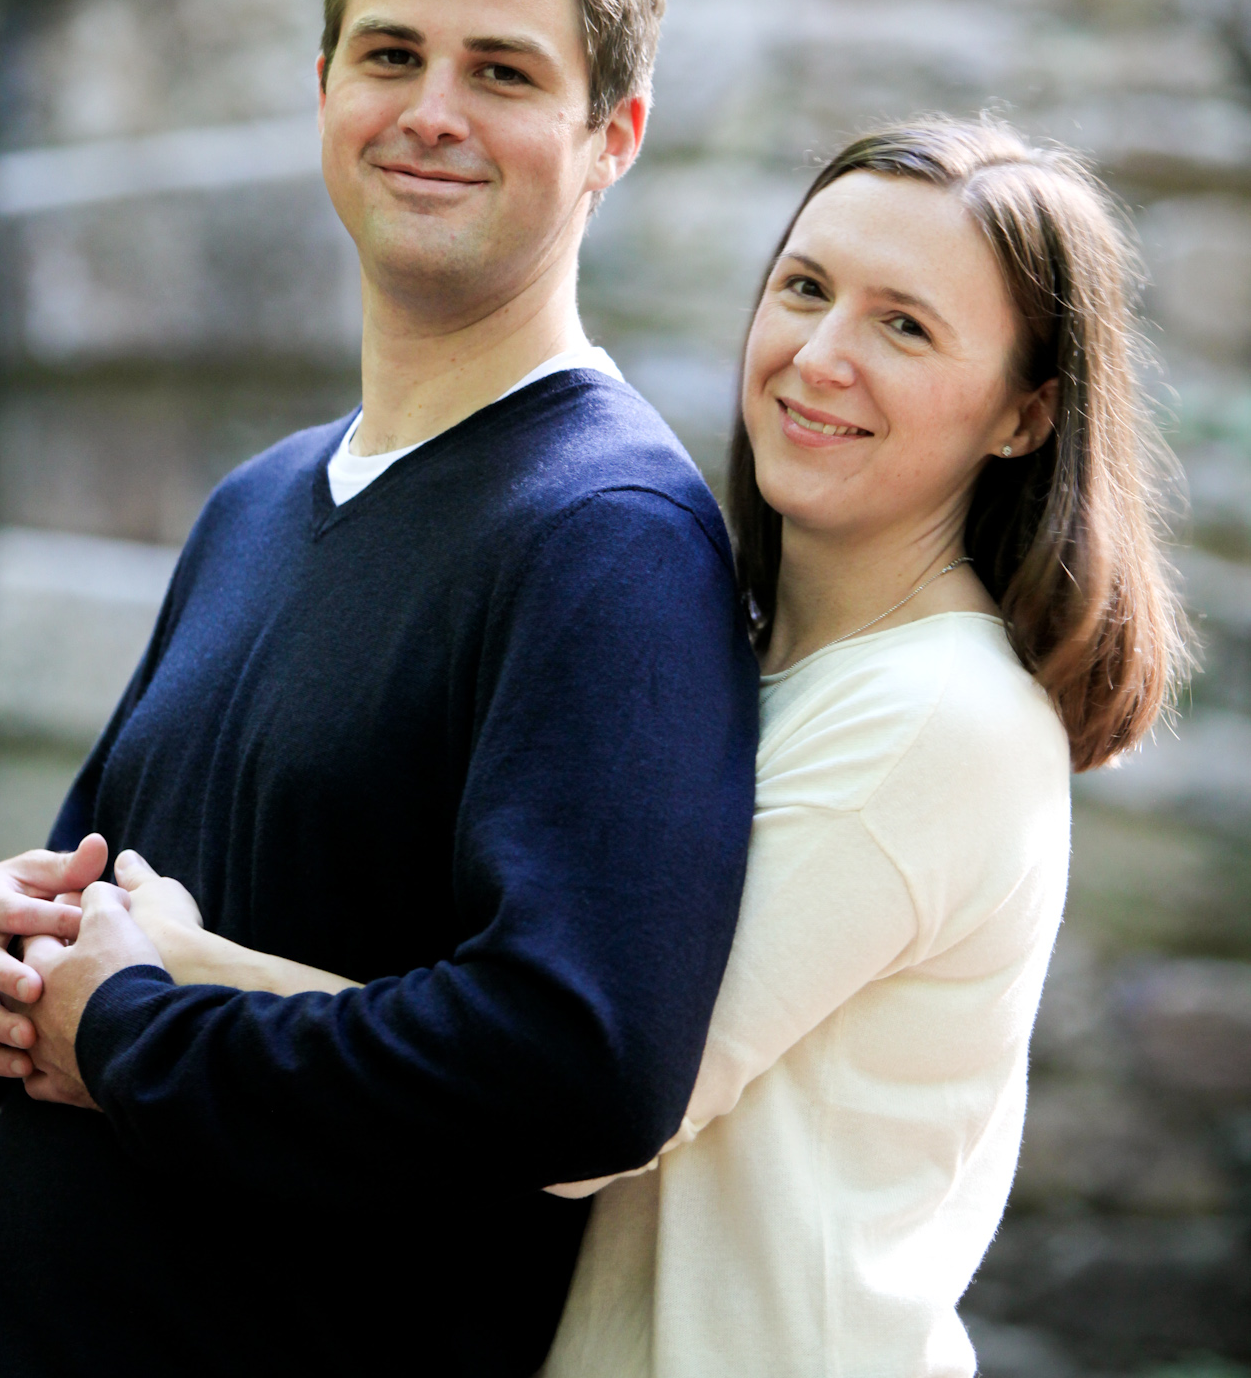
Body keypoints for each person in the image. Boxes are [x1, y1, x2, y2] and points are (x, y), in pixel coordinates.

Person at [111, 118, 1188, 1378]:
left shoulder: (938, 719)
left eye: (905, 325)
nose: (820, 356)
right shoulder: (731, 651)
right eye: (806, 286)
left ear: (1025, 414)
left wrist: (175, 971)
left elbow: (580, 1101)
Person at [0, 0, 759, 1378]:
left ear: (611, 135)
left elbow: (580, 1064)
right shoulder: (261, 498)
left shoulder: (609, 536)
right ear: (321, 91)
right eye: (391, 54)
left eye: (502, 71)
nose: (430, 113)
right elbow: (100, 909)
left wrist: (132, 1035)